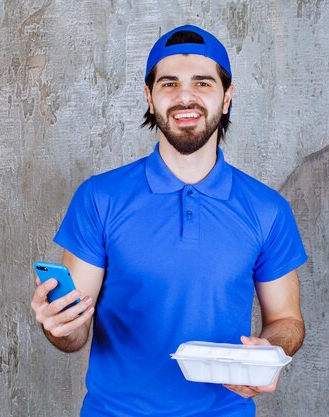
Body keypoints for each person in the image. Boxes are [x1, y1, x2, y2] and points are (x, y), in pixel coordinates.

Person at [30, 24, 308, 417]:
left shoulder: (268, 210)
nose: (185, 97)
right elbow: (75, 334)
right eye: (169, 84)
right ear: (149, 97)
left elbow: (286, 320)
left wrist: (271, 350)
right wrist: (58, 325)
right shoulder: (100, 198)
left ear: (226, 97)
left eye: (202, 83)